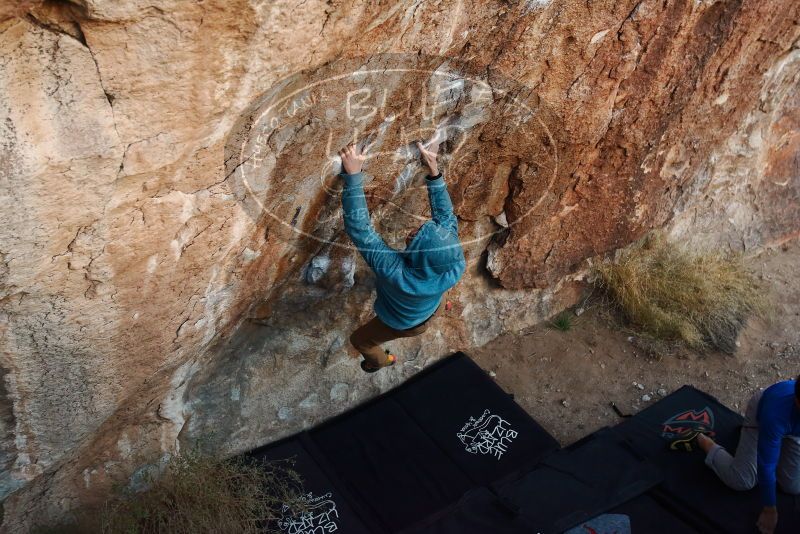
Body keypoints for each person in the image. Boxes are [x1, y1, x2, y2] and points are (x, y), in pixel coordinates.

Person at [338, 136, 465, 373]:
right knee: (436, 293)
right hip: (431, 304)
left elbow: (361, 231)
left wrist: (354, 177)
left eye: (414, 238)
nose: (414, 229)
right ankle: (443, 306)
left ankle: (381, 362)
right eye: (423, 228)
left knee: (360, 340)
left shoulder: (395, 272)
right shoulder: (455, 260)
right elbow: (445, 214)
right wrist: (434, 168)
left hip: (403, 324)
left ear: (417, 255)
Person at [695, 377, 800, 534]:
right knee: (742, 479)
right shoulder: (774, 417)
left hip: (791, 428)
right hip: (763, 416)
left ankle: (779, 442)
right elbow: (766, 465)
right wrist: (769, 508)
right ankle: (705, 442)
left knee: (793, 487)